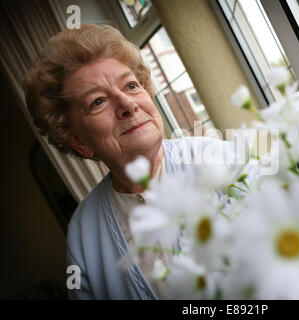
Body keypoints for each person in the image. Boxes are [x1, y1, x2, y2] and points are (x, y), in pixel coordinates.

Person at [24, 24, 235, 300]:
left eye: (131, 85)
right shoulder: (83, 233)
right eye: (98, 101)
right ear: (78, 141)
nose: (127, 103)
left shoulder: (219, 159)